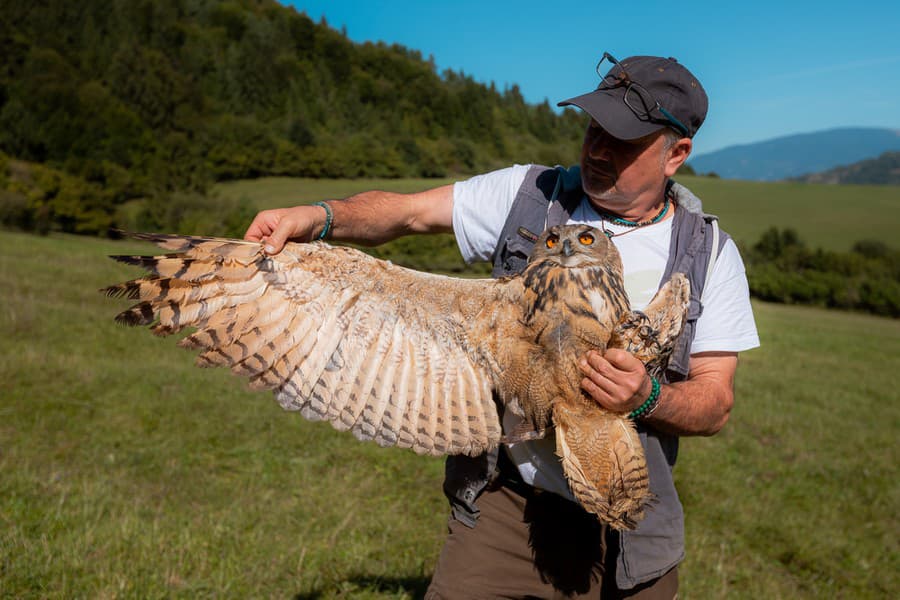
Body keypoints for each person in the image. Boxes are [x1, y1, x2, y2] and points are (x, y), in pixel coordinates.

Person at [245, 53, 759, 599]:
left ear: (676, 154)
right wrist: (321, 217)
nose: (598, 150)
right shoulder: (531, 196)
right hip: (508, 506)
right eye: (593, 129)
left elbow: (714, 402)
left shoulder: (708, 254)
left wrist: (646, 395)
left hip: (629, 522)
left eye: (624, 141)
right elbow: (407, 212)